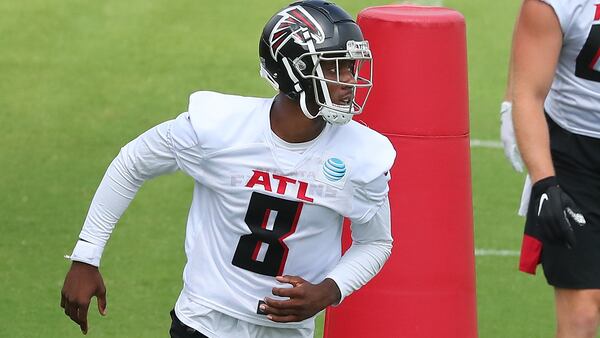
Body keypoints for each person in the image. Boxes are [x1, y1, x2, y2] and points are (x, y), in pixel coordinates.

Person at [60, 1, 396, 337]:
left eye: (352, 67)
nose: (351, 81)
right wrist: (86, 255)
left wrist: (329, 289)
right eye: (335, 68)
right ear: (293, 70)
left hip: (286, 331)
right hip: (205, 319)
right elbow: (132, 162)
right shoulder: (220, 128)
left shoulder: (362, 154)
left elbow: (376, 242)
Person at [512, 0, 600, 337]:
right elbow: (528, 93)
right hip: (574, 157)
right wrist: (545, 183)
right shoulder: (556, 3)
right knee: (581, 313)